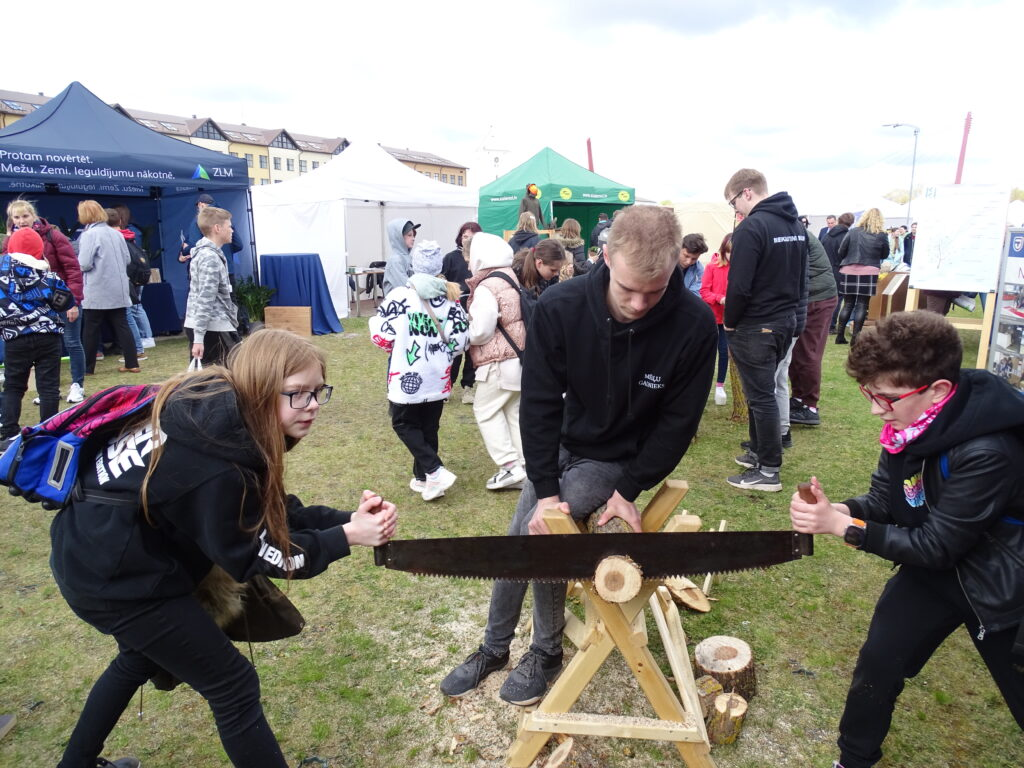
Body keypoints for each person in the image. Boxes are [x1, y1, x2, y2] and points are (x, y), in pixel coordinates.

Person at [49, 329, 398, 768]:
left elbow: (265, 508)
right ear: (259, 388)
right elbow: (256, 554)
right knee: (233, 686)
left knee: (137, 657)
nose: (312, 405)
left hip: (101, 553)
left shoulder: (218, 415)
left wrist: (346, 519)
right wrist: (347, 536)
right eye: (297, 393)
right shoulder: (216, 461)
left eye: (318, 391)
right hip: (116, 580)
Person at [439, 205, 716, 706]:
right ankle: (496, 648)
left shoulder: (694, 325)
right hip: (564, 440)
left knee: (543, 534)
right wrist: (545, 490)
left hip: (616, 459)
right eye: (627, 288)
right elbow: (540, 404)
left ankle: (543, 651)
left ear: (674, 267)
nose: (638, 304)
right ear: (605, 256)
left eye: (654, 292)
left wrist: (630, 488)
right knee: (529, 526)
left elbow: (678, 425)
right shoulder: (561, 306)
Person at [789, 310, 1024, 768]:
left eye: (887, 398)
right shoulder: (910, 425)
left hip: (1001, 585)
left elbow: (937, 546)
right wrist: (842, 511)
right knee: (879, 663)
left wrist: (841, 528)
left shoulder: (989, 451)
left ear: (938, 389)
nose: (876, 409)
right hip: (935, 572)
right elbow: (888, 498)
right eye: (869, 394)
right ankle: (853, 760)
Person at [722, 169, 808, 492]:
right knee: (763, 391)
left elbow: (739, 285)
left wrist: (730, 321)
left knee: (761, 396)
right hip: (784, 320)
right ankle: (759, 452)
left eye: (733, 202)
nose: (735, 210)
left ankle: (769, 470)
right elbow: (801, 277)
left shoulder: (752, 227)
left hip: (757, 324)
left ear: (746, 192)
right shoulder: (794, 225)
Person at [369, 240, 469, 501]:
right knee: (428, 426)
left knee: (403, 423)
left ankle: (434, 470)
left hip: (406, 374)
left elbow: (381, 335)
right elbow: (461, 341)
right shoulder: (450, 298)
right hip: (438, 374)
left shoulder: (400, 297)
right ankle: (425, 478)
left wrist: (398, 343)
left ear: (414, 265)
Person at [3, 198, 86, 403]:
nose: (21, 221)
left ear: (34, 215)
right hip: (31, 308)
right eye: (17, 217)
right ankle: (47, 391)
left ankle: (77, 385)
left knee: (72, 342)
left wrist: (74, 300)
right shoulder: (10, 241)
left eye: (25, 216)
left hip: (60, 298)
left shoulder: (53, 235)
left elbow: (72, 268)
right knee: (42, 352)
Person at [465, 232, 528, 491]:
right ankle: (525, 465)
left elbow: (482, 329)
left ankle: (509, 466)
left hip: (497, 361)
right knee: (513, 412)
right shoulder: (510, 278)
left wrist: (465, 334)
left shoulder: (487, 286)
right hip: (518, 358)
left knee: (486, 410)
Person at [0, 228, 75, 440]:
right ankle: (48, 432)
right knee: (49, 387)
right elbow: (65, 302)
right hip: (48, 335)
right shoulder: (46, 275)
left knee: (13, 386)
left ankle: (8, 432)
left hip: (15, 336)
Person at [77, 200, 139, 374]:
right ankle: (132, 363)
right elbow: (127, 259)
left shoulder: (89, 235)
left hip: (97, 287)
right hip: (118, 287)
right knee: (122, 325)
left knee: (91, 328)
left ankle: (88, 368)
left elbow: (84, 263)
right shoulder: (116, 233)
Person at [789, 230, 839, 426]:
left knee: (808, 352)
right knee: (795, 351)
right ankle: (799, 397)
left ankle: (810, 406)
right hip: (810, 296)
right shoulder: (794, 231)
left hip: (817, 298)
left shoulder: (795, 234)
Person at [183, 206, 241, 366]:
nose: (232, 230)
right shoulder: (210, 257)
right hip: (213, 328)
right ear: (217, 228)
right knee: (226, 375)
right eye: (229, 226)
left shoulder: (206, 253)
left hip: (209, 325)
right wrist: (199, 338)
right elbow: (205, 298)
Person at [835, 208, 889, 345]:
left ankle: (839, 336)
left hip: (849, 269)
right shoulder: (881, 234)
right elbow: (885, 254)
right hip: (869, 271)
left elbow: (841, 251)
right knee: (862, 305)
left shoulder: (853, 231)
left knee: (847, 304)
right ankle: (855, 338)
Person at [443, 222, 482, 405]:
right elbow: (442, 281)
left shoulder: (480, 259)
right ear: (460, 237)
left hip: (475, 308)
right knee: (455, 349)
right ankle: (447, 387)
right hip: (455, 308)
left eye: (472, 237)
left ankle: (468, 387)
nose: (468, 240)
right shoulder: (450, 258)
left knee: (472, 350)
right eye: (465, 236)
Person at [106, 208, 147, 365]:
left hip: (123, 280)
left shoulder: (115, 238)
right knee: (130, 314)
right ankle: (138, 347)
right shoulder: (129, 235)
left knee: (127, 315)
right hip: (131, 279)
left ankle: (137, 349)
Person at [114, 206, 155, 352]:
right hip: (137, 274)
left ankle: (144, 338)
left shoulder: (121, 236)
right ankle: (146, 337)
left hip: (130, 276)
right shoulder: (132, 233)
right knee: (137, 307)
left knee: (133, 309)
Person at [179, 193, 243, 277]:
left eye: (198, 207)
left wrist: (185, 250)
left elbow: (197, 247)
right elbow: (239, 245)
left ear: (201, 205)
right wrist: (224, 252)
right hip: (227, 271)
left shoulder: (199, 220)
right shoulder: (225, 218)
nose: (198, 209)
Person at [701, 233, 731, 406]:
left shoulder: (740, 267)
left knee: (724, 351)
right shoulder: (712, 267)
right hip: (712, 317)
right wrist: (720, 299)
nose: (731, 256)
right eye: (728, 252)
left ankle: (720, 385)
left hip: (728, 319)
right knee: (708, 352)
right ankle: (702, 384)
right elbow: (704, 291)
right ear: (723, 250)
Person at [823, 213, 854, 333]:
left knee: (826, 298)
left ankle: (825, 323)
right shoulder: (847, 236)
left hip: (825, 269)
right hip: (839, 270)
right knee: (837, 299)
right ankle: (831, 325)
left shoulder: (827, 235)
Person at [382, 218, 419, 295]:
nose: (413, 239)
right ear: (399, 237)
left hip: (409, 300)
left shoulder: (409, 258)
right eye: (409, 235)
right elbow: (406, 287)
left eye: (413, 235)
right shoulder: (395, 260)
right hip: (399, 301)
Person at [678, 233, 707, 297]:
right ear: (679, 248)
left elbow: (694, 295)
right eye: (686, 256)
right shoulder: (666, 262)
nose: (689, 262)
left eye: (694, 259)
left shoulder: (699, 270)